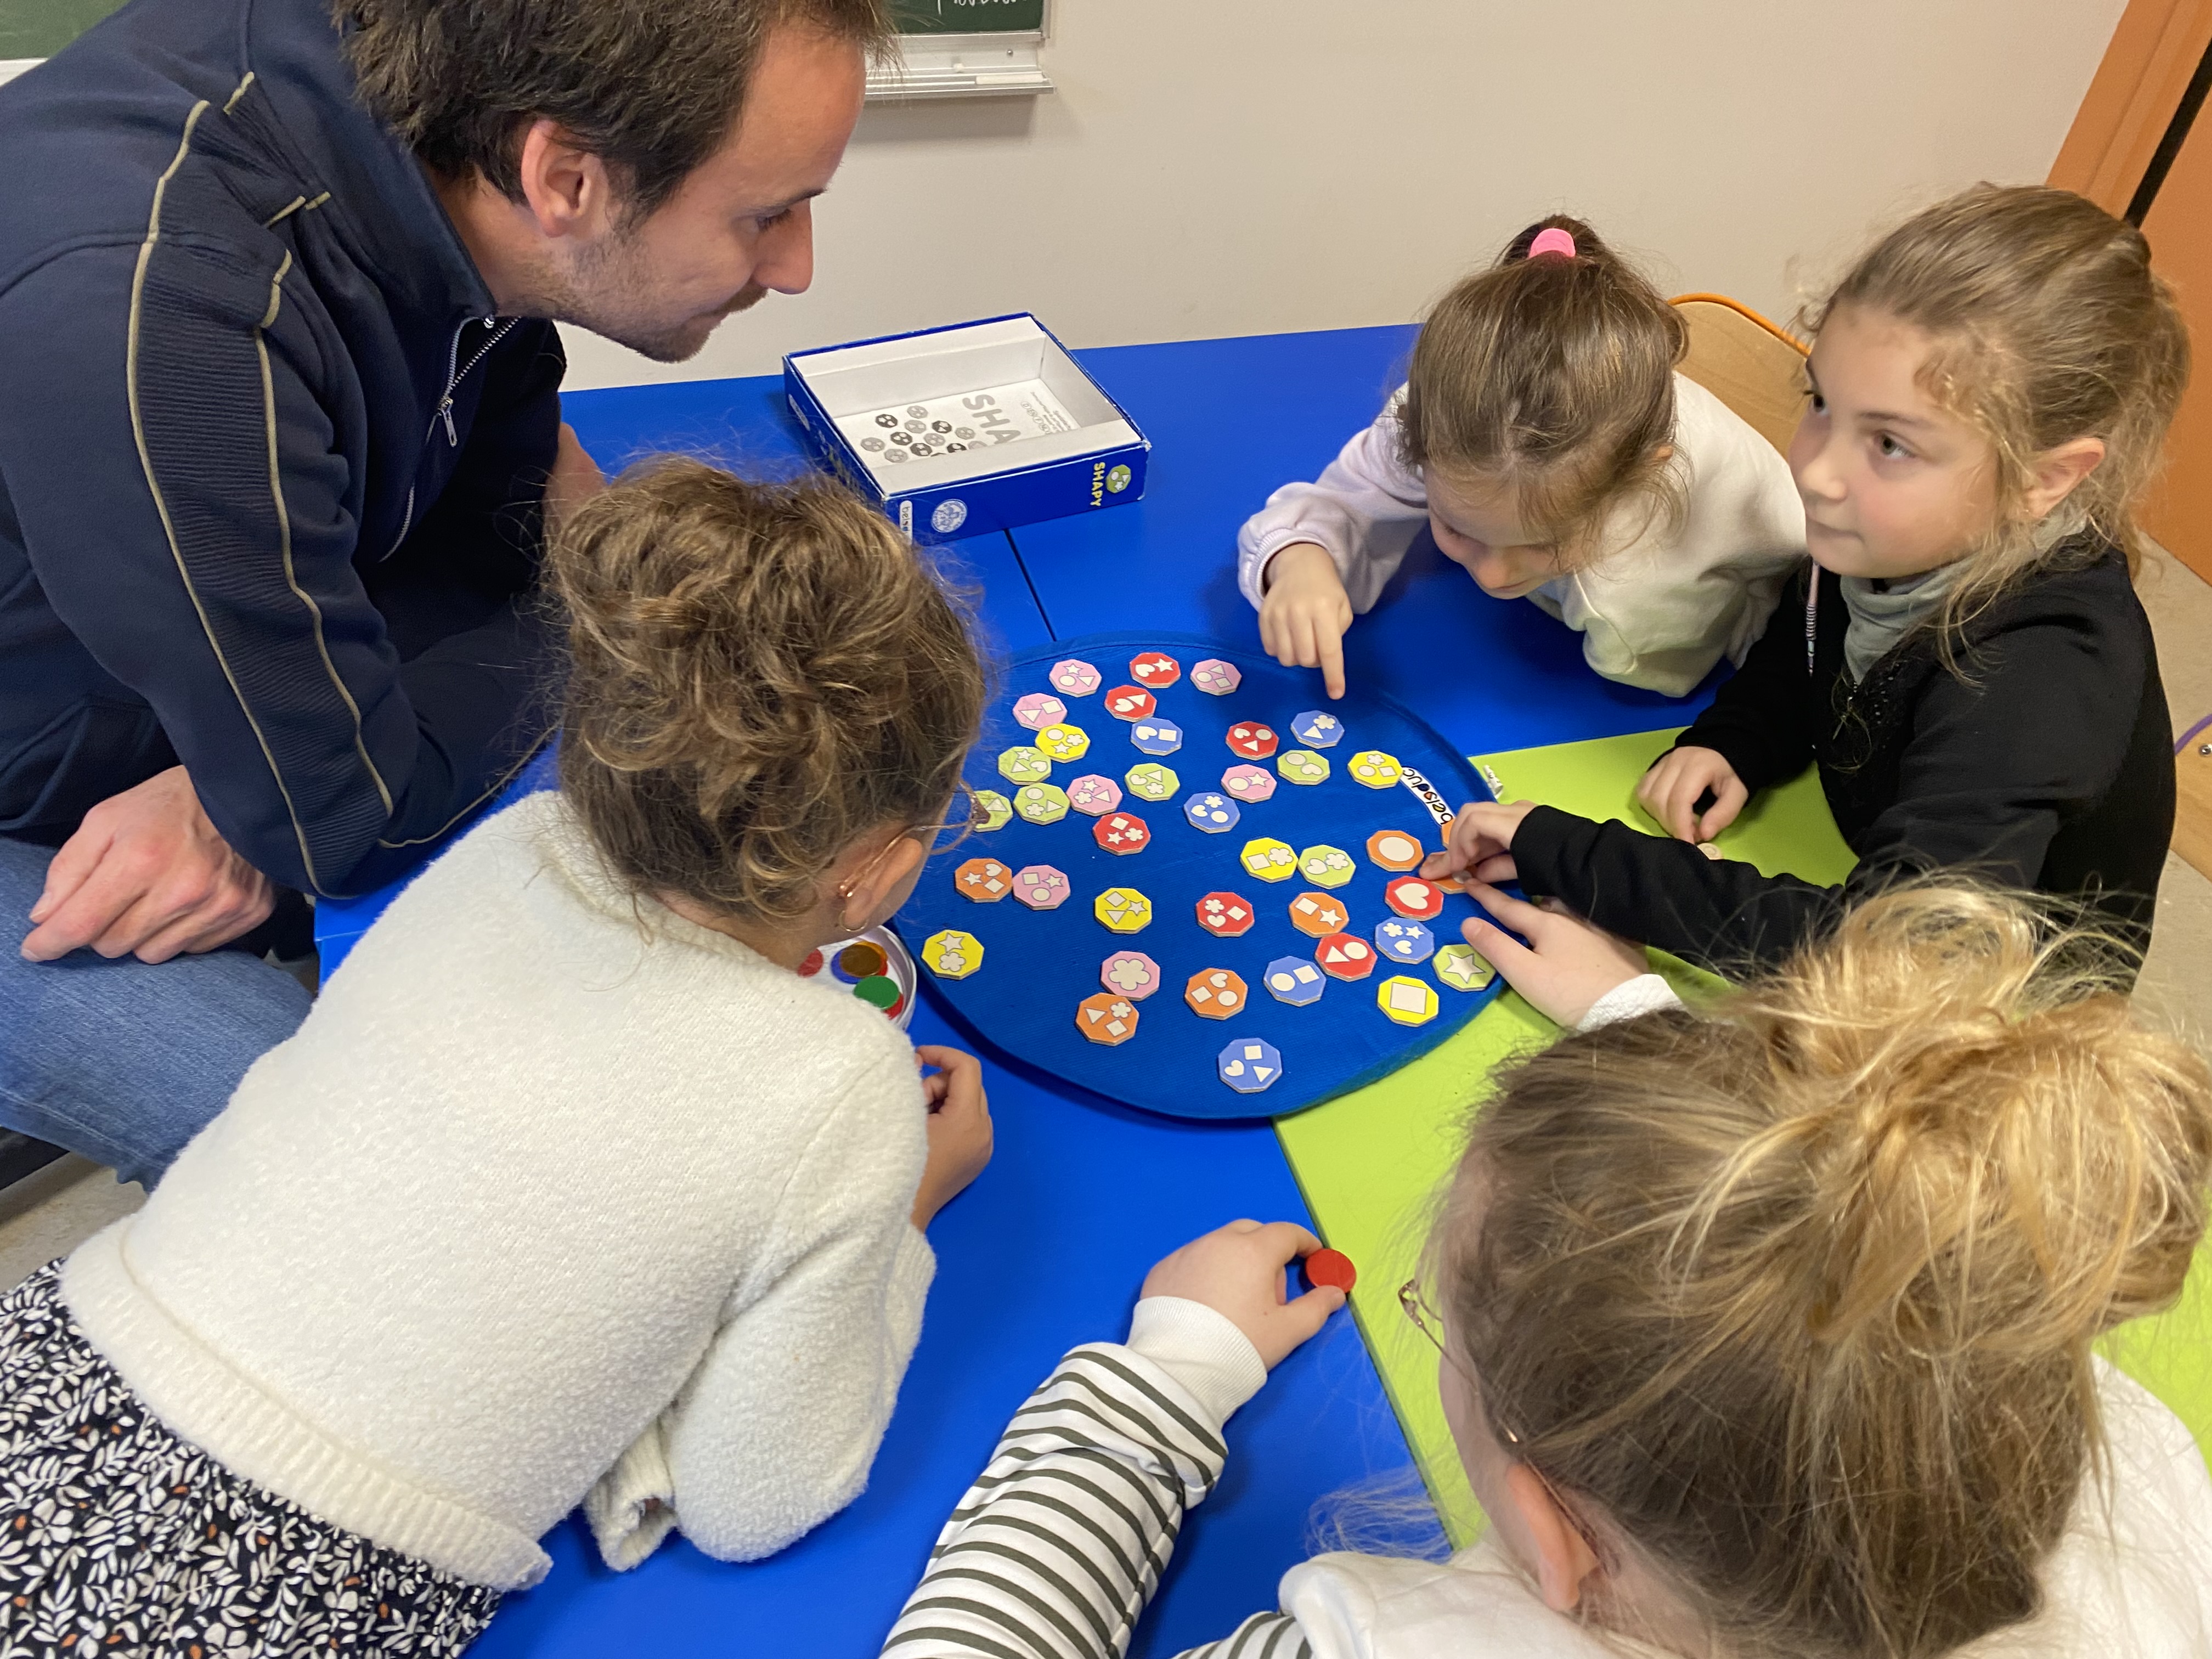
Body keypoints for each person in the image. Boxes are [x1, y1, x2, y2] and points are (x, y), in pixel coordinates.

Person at [0, 461, 994, 1656]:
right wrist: (907, 1227)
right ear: (879, 867)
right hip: (289, 1570)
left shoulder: (518, 846)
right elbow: (752, 1505)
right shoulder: (845, 1088)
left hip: (67, 1364)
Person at [0, 0, 887, 1184]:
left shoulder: (440, 127)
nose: (796, 268)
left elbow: (512, 498)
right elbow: (359, 816)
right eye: (766, 212)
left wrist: (256, 777)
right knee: (393, 1162)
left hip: (172, 645)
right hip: (41, 760)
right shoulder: (165, 316)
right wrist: (285, 777)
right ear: (564, 175)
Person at [881, 884, 2212, 1658]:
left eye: (1437, 1312)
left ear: (1551, 1537)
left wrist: (1165, 1379)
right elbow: (1850, 1247)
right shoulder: (2091, 1434)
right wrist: (1659, 1049)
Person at [1427, 185, 2183, 973]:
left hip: (1993, 1020)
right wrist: (1741, 739)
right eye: (1821, 400)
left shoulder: (2045, 670)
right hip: (1863, 864)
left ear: (2044, 479)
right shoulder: (1887, 527)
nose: (1817, 471)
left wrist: (1589, 865)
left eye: (1890, 443)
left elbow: (1890, 956)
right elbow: (1813, 633)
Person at [1242, 215, 1805, 700]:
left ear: (1635, 482)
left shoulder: (1631, 592)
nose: (1492, 575)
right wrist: (1300, 563)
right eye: (1457, 528)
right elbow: (1339, 500)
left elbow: (1654, 671)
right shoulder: (1446, 414)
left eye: (1541, 543)